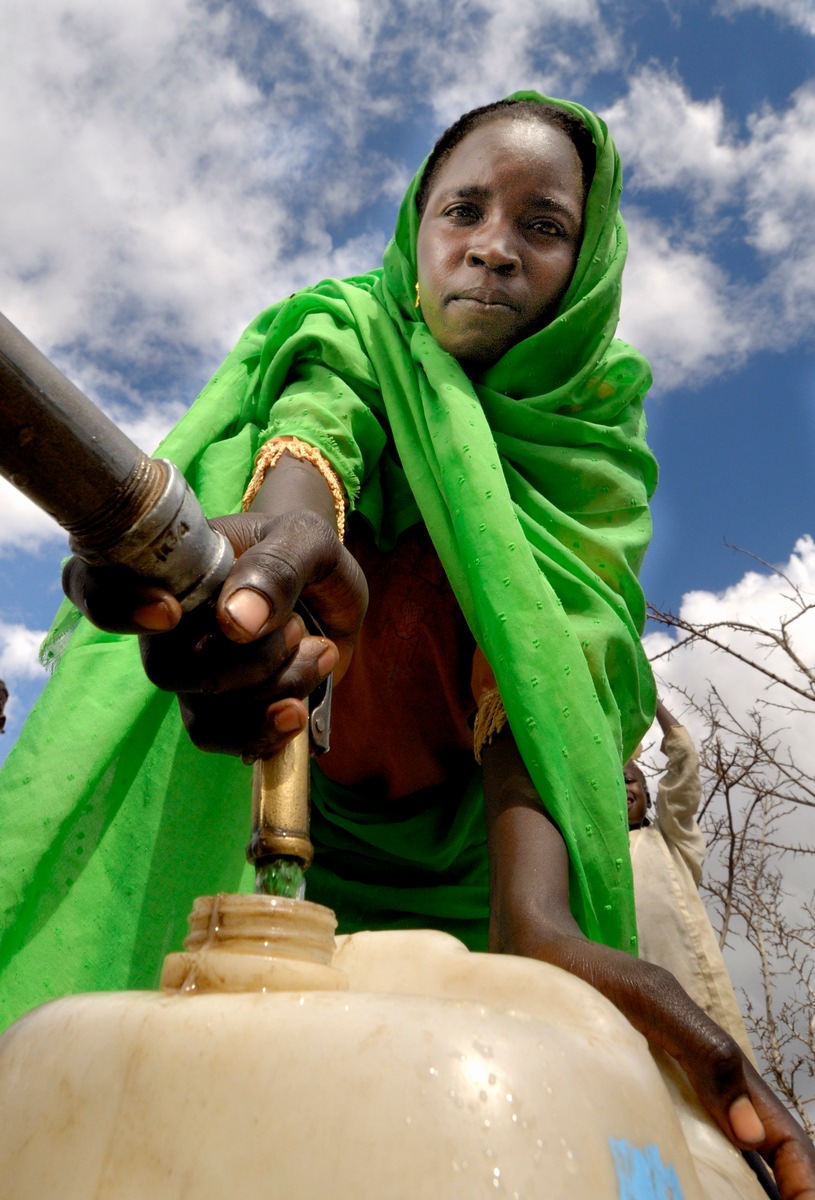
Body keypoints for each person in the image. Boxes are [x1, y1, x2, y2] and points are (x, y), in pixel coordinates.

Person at [0, 92, 812, 1195]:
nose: (491, 245)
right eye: (461, 209)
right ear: (413, 232)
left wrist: (549, 937)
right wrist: (265, 563)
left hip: (480, 886)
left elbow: (553, 669)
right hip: (269, 863)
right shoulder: (351, 337)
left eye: (542, 225)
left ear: (587, 264)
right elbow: (314, 443)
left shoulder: (590, 464)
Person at [626, 699, 756, 1063]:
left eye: (629, 780)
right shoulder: (594, 855)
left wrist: (651, 702)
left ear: (649, 796)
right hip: (630, 999)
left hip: (690, 987)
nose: (621, 788)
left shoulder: (671, 837)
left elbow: (683, 765)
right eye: (610, 783)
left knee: (718, 1075)